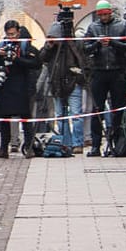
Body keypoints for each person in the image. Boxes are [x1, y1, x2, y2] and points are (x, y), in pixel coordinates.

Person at [82, 0, 126, 156]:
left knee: (117, 109)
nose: (104, 17)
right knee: (97, 109)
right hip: (99, 71)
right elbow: (86, 48)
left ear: (110, 12)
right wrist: (97, 44)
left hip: (117, 71)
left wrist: (112, 43)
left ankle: (116, 143)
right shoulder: (93, 27)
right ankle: (96, 145)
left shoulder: (121, 26)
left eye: (106, 14)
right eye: (101, 15)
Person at [0, 21, 41, 158]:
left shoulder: (25, 46)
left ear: (18, 32)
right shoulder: (1, 46)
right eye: (9, 35)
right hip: (5, 86)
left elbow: (36, 63)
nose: (11, 37)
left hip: (22, 86)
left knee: (26, 118)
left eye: (13, 34)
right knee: (4, 119)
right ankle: (3, 149)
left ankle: (29, 147)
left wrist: (17, 59)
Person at [40, 11, 86, 153]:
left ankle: (77, 143)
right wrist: (49, 46)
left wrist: (77, 75)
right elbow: (42, 58)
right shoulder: (51, 48)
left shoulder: (74, 44)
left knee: (76, 115)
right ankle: (64, 141)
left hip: (73, 83)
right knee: (60, 115)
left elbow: (83, 62)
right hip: (56, 84)